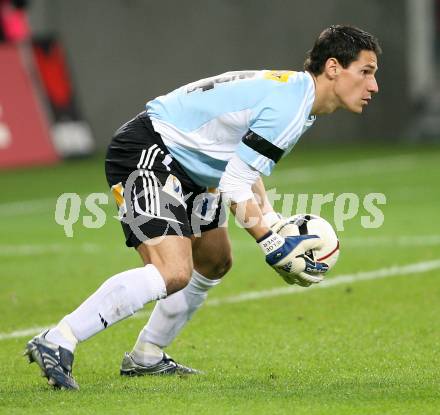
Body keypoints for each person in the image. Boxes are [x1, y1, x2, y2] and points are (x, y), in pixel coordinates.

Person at [24, 25, 381, 390]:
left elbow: (243, 164)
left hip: (191, 165)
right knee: (172, 271)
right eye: (365, 72)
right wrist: (273, 245)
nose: (373, 86)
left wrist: (272, 222)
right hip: (150, 151)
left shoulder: (298, 96)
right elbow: (234, 186)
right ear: (334, 68)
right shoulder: (292, 105)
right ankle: (59, 339)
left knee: (215, 260)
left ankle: (147, 355)